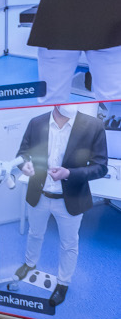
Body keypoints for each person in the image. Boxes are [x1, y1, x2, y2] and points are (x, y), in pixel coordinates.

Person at [13, 102, 107, 307]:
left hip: (70, 198)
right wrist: (24, 164)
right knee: (34, 233)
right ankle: (30, 263)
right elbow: (22, 154)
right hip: (39, 193)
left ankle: (63, 282)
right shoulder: (36, 122)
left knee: (69, 244)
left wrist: (70, 174)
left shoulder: (93, 126)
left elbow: (101, 167)